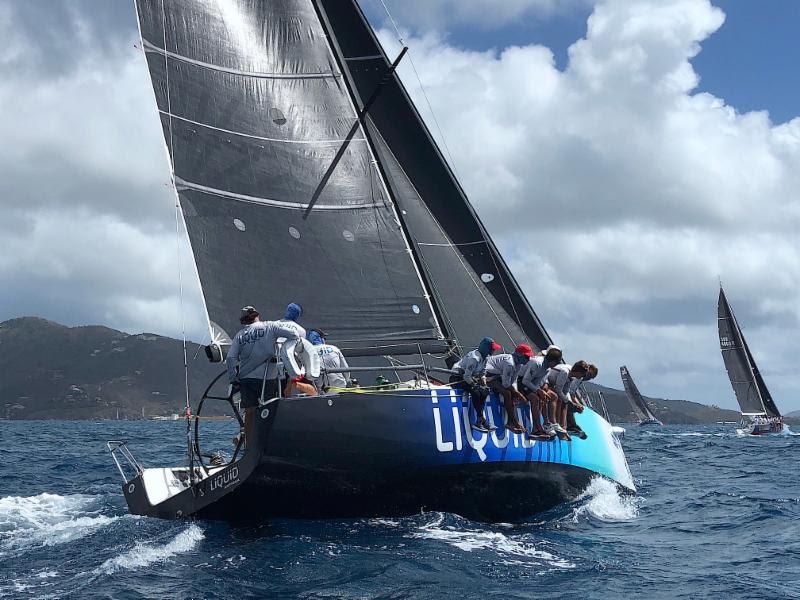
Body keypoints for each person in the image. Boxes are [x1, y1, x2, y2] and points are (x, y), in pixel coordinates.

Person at [227, 304, 306, 441]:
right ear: (257, 316)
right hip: (267, 377)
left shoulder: (239, 336)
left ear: (244, 320)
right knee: (270, 408)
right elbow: (293, 334)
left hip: (246, 379)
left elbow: (230, 358)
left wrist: (233, 378)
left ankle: (249, 444)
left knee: (250, 411)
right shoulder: (270, 326)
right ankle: (269, 440)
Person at [449, 337, 501, 432]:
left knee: (484, 392)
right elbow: (466, 376)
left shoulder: (485, 358)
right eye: (492, 348)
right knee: (476, 392)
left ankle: (479, 420)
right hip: (458, 377)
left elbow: (482, 374)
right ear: (486, 348)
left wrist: (485, 386)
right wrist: (475, 385)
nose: (494, 350)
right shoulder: (474, 358)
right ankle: (481, 419)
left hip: (468, 378)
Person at [485, 344, 533, 434]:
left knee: (512, 394)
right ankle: (513, 422)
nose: (528, 359)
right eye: (526, 357)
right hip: (488, 376)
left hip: (497, 376)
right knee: (507, 393)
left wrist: (516, 393)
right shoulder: (509, 363)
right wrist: (520, 394)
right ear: (519, 354)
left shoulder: (518, 364)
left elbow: (513, 381)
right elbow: (506, 384)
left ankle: (511, 422)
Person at [518, 345, 563, 440]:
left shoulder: (548, 368)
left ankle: (539, 427)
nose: (557, 365)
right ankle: (537, 429)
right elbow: (524, 381)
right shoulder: (537, 363)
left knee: (543, 398)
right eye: (557, 363)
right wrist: (538, 391)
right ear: (553, 361)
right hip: (519, 380)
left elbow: (537, 383)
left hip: (529, 382)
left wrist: (541, 392)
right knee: (535, 399)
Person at [546, 360, 590, 440]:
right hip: (547, 384)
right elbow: (559, 390)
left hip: (553, 387)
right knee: (560, 400)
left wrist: (572, 403)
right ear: (578, 372)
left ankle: (563, 427)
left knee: (565, 403)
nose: (583, 377)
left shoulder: (571, 375)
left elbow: (565, 392)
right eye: (583, 374)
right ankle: (556, 424)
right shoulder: (565, 372)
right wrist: (569, 402)